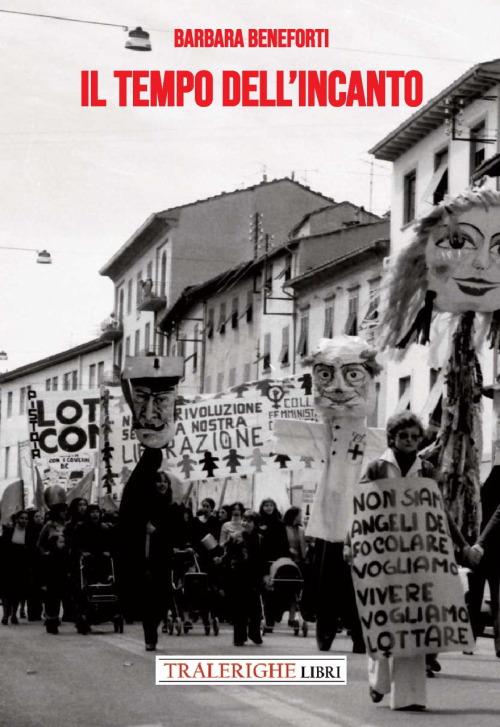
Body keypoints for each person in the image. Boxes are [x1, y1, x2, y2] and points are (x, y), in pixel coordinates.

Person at [357, 411, 433, 711]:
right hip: (382, 554)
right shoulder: (376, 468)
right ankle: (378, 681)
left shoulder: (426, 469)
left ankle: (410, 695)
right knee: (384, 617)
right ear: (393, 438)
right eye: (405, 437)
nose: (411, 442)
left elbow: (438, 510)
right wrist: (352, 544)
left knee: (414, 620)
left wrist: (462, 544)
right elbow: (359, 507)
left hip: (416, 554)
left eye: (416, 438)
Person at [221, 510, 265, 646]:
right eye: (244, 520)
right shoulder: (235, 537)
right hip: (239, 574)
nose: (245, 523)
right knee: (239, 607)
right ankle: (239, 637)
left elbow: (263, 558)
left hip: (254, 575)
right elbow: (228, 556)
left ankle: (254, 633)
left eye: (249, 521)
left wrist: (265, 575)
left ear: (255, 523)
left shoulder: (260, 538)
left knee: (256, 608)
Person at [258, 499, 289, 632]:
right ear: (262, 507)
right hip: (263, 559)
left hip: (277, 559)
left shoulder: (280, 523)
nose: (268, 507)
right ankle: (268, 619)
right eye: (266, 505)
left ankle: (275, 614)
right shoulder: (259, 521)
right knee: (266, 590)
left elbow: (284, 542)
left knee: (278, 588)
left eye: (271, 505)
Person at [1, 510, 33, 625]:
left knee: (18, 592)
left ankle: (14, 614)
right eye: (22, 518)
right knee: (6, 592)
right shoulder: (9, 532)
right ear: (17, 519)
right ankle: (5, 615)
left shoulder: (29, 533)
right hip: (9, 566)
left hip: (22, 566)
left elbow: (32, 550)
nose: (24, 520)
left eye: (26, 518)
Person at [41, 533, 70, 635]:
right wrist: (43, 584)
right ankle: (51, 622)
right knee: (51, 604)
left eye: (64, 542)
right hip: (51, 583)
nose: (63, 544)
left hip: (61, 582)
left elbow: (67, 568)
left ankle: (54, 621)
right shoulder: (48, 556)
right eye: (60, 542)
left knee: (56, 603)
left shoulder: (65, 555)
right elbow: (43, 572)